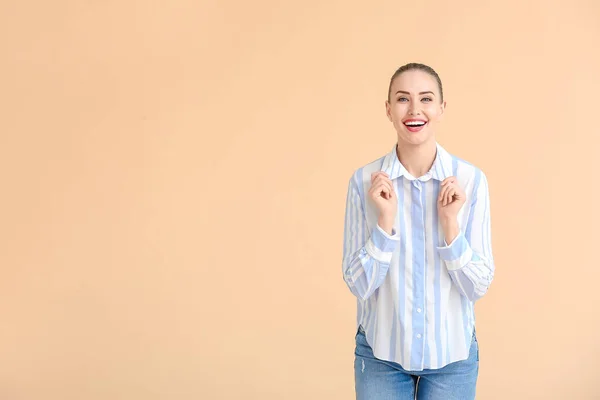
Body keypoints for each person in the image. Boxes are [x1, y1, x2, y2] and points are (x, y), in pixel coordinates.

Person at [341, 63, 495, 400]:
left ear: (441, 109)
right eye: (402, 99)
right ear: (388, 110)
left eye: (426, 99)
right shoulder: (364, 182)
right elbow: (358, 283)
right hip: (381, 355)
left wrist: (451, 228)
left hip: (452, 358)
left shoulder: (470, 181)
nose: (414, 110)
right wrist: (385, 225)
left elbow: (478, 284)